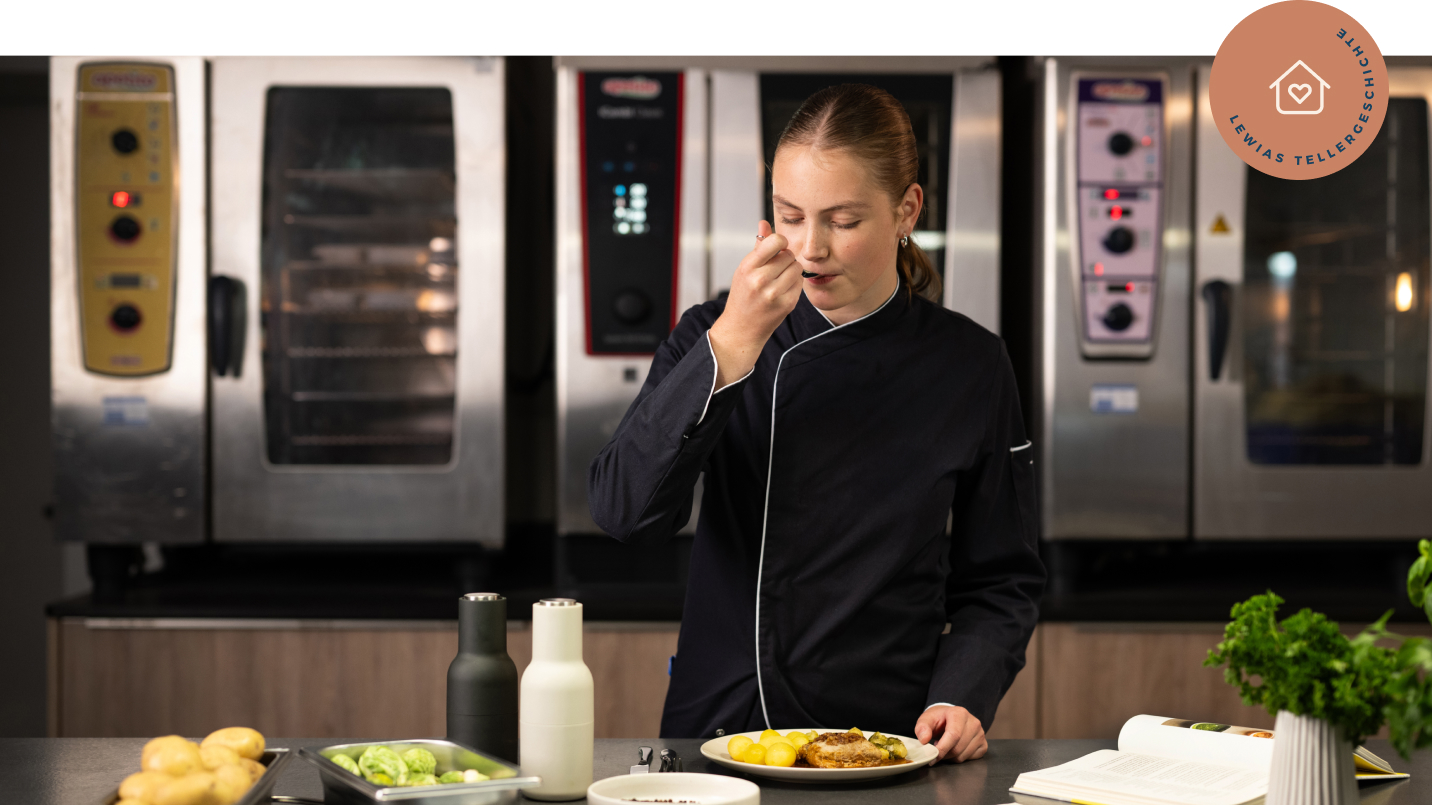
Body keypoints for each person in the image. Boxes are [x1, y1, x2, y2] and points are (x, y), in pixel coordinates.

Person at [588, 83, 1044, 764]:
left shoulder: (970, 363)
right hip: (720, 729)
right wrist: (731, 348)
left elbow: (1002, 577)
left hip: (886, 737)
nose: (810, 247)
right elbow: (623, 511)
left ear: (906, 210)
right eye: (789, 215)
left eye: (844, 220)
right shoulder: (711, 335)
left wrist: (961, 694)